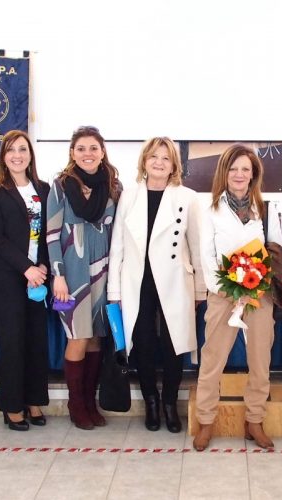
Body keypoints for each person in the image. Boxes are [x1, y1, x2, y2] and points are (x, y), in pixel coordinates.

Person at [108, 137, 205, 433]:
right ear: (144, 161)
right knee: (144, 344)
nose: (159, 162)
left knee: (174, 344)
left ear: (174, 164)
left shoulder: (187, 198)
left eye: (166, 157)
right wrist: (115, 291)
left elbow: (196, 246)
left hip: (176, 280)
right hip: (137, 281)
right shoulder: (129, 196)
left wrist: (200, 287)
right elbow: (118, 247)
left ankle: (169, 403)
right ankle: (150, 400)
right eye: (153, 157)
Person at [193, 144, 282, 451]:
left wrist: (256, 285)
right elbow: (205, 255)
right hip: (223, 295)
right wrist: (226, 288)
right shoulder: (210, 211)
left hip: (259, 295)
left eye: (245, 169)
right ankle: (206, 421)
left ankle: (254, 421)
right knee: (212, 360)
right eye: (233, 169)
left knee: (260, 358)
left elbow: (276, 251)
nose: (239, 174)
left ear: (254, 173)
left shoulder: (266, 208)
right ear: (224, 173)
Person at [47, 126, 121, 430]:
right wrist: (58, 275)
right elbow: (52, 234)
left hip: (103, 268)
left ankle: (91, 401)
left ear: (102, 151)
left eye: (93, 148)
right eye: (81, 148)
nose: (87, 154)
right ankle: (76, 404)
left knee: (94, 339)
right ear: (72, 153)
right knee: (77, 338)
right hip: (72, 271)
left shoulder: (114, 186)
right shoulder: (61, 186)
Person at [0, 130, 50, 431]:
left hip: (38, 277)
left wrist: (44, 267)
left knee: (36, 340)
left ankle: (34, 399)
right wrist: (27, 268)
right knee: (12, 342)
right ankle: (12, 406)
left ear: (30, 154)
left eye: (22, 149)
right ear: (3, 156)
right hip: (8, 277)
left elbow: (50, 233)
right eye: (11, 150)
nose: (17, 155)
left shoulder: (44, 189)